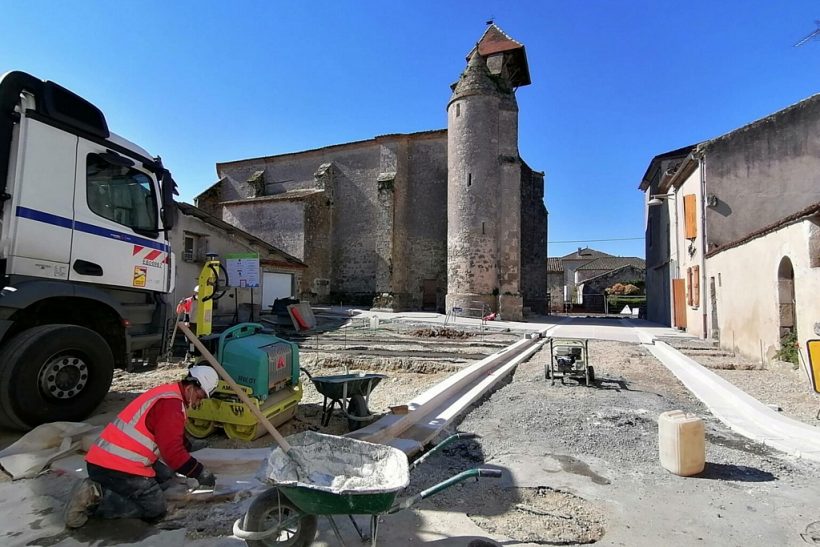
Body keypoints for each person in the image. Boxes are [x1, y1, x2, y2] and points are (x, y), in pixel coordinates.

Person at [64, 366, 220, 528]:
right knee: (155, 510)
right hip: (115, 465)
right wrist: (200, 472)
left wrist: (187, 447)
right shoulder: (171, 406)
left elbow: (168, 431)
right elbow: (172, 454)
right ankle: (95, 497)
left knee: (167, 477)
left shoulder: (170, 392)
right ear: (191, 387)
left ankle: (112, 489)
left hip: (109, 457)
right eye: (200, 396)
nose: (199, 402)